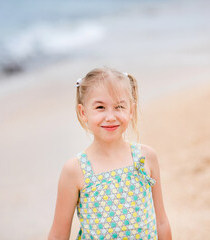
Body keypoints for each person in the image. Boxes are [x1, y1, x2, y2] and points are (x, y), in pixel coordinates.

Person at [48, 67, 172, 240]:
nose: (111, 116)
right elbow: (58, 235)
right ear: (84, 112)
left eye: (119, 106)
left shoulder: (146, 157)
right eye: (100, 107)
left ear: (131, 110)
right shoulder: (75, 170)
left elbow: (162, 223)